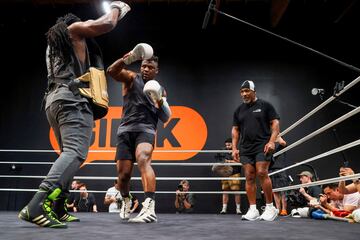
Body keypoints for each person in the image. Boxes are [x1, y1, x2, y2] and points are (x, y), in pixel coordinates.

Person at [18, 1, 131, 228]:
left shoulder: (54, 45)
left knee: (67, 154)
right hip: (71, 99)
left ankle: (58, 207)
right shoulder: (73, 30)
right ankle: (36, 205)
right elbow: (107, 23)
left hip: (54, 99)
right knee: (75, 153)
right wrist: (119, 7)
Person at [107, 44, 172, 223]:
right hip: (125, 131)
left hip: (146, 130)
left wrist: (160, 100)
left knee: (143, 159)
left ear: (156, 71)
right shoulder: (131, 77)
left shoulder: (161, 90)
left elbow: (165, 116)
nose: (145, 69)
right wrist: (127, 58)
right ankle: (126, 200)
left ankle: (149, 206)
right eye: (143, 65)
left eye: (150, 67)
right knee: (123, 175)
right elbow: (111, 71)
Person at [232, 80, 280, 221]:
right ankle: (253, 209)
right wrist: (234, 148)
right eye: (242, 91)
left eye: (247, 91)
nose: (244, 94)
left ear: (254, 91)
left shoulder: (265, 105)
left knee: (261, 172)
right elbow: (235, 130)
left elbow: (275, 123)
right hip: (246, 148)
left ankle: (270, 207)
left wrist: (272, 141)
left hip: (262, 145)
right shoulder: (239, 110)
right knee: (249, 176)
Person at [215, 138, 242, 215]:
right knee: (225, 191)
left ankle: (238, 209)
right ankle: (224, 209)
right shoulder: (222, 151)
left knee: (236, 191)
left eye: (229, 144)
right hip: (225, 173)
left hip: (235, 173)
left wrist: (228, 161)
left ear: (233, 144)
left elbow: (240, 161)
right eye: (226, 145)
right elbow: (218, 160)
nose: (227, 146)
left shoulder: (237, 151)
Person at [269, 136, 289, 216]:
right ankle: (278, 209)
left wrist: (277, 136)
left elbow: (283, 143)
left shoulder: (281, 145)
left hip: (280, 169)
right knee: (275, 191)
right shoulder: (270, 146)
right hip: (271, 169)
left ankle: (284, 210)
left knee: (283, 191)